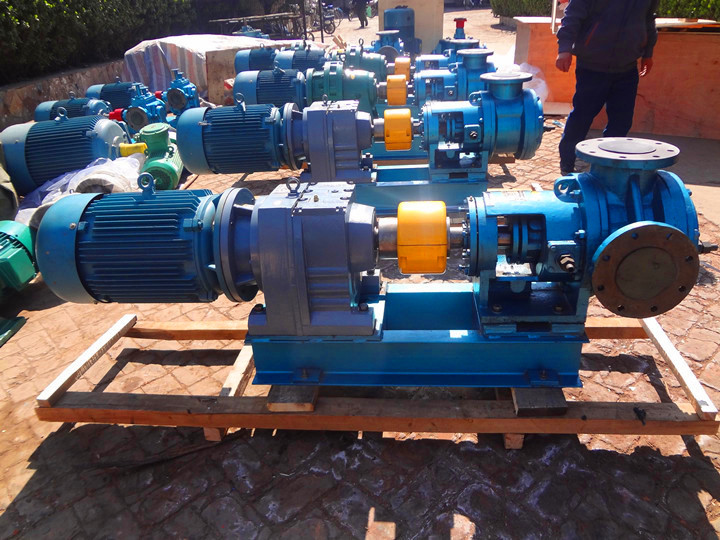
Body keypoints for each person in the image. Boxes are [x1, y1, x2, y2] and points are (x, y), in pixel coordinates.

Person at [555, 0, 658, 175]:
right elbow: (572, 17)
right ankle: (567, 163)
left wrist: (648, 54)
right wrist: (564, 49)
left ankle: (608, 167)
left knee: (621, 121)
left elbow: (649, 19)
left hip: (627, 68)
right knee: (581, 117)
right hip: (591, 67)